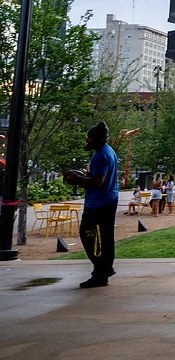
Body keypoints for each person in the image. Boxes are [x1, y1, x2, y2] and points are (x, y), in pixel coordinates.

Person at [62, 121, 119, 288]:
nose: (87, 141)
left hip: (100, 203)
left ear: (96, 139)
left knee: (89, 235)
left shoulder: (102, 156)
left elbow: (98, 181)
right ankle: (105, 268)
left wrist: (78, 179)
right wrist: (82, 174)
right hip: (106, 200)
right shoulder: (107, 152)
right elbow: (96, 177)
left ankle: (101, 271)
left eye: (89, 138)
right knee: (105, 237)